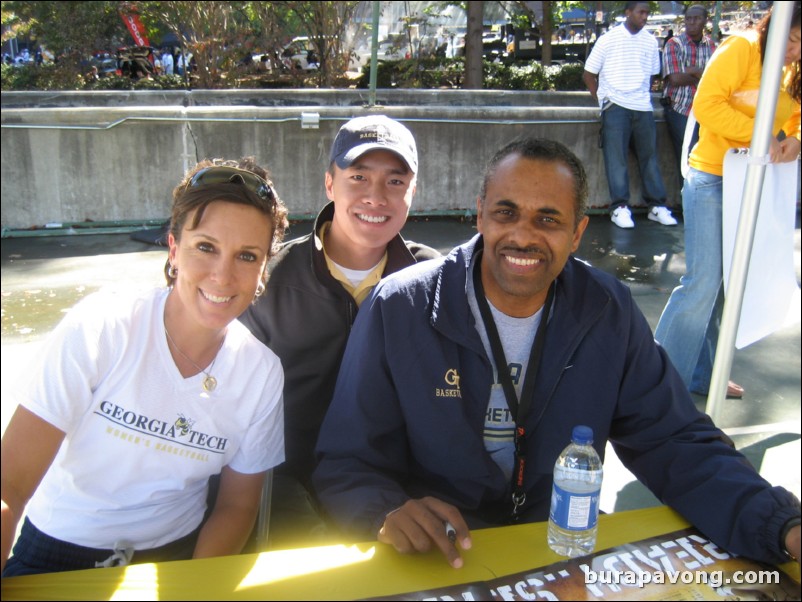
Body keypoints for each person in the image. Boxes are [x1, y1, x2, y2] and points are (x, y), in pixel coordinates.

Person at [312, 137, 801, 570]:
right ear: (479, 213)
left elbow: (674, 440)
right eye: (506, 213)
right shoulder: (401, 307)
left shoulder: (606, 310)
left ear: (578, 232)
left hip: (558, 545)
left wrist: (781, 525)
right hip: (440, 556)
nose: (523, 235)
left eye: (548, 219)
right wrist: (384, 512)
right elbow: (346, 459)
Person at [1, 157, 289, 576]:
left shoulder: (261, 372)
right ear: (174, 250)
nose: (223, 276)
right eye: (205, 247)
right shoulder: (102, 327)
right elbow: (10, 485)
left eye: (247, 256)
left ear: (263, 270)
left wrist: (193, 588)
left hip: (176, 560)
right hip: (54, 554)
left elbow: (236, 505)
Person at [240, 115, 440, 547]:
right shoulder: (268, 279)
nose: (375, 196)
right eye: (358, 177)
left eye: (394, 181)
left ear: (413, 191)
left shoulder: (437, 280)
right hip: (284, 484)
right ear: (330, 183)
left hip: (397, 490)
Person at [654, 3, 801, 400]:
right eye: (791, 39)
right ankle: (655, 380)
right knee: (702, 282)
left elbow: (798, 114)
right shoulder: (742, 48)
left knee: (727, 286)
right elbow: (706, 105)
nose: (794, 51)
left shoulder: (793, 68)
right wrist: (757, 135)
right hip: (712, 177)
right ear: (775, 26)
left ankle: (707, 373)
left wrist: (795, 139)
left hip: (755, 180)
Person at [583, 1, 678, 229]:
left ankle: (657, 205)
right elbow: (589, 74)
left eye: (647, 13)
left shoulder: (649, 40)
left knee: (649, 157)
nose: (644, 16)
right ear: (628, 13)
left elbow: (653, 74)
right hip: (615, 106)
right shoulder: (608, 39)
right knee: (616, 160)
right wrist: (603, 101)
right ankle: (619, 208)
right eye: (640, 12)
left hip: (642, 107)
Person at [661, 5, 717, 175]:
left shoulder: (712, 46)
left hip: (706, 110)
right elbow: (675, 78)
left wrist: (692, 70)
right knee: (688, 157)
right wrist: (702, 74)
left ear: (705, 20)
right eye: (688, 19)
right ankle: (686, 198)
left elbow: (716, 78)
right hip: (681, 108)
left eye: (697, 18)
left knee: (706, 157)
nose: (691, 22)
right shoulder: (674, 44)